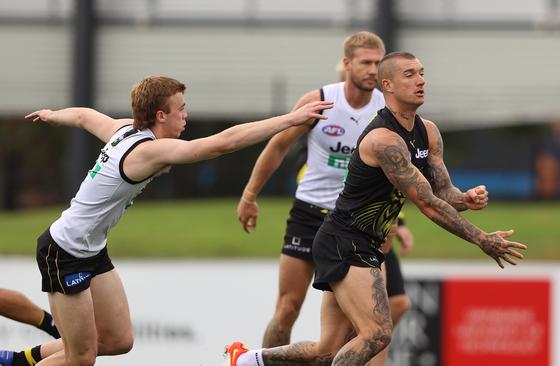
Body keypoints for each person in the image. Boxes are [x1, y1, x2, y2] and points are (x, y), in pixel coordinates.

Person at [0, 76, 332, 366]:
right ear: (161, 115)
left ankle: (16, 360)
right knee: (81, 357)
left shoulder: (124, 128)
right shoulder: (147, 151)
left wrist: (56, 115)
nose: (186, 115)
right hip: (64, 252)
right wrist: (291, 119)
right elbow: (223, 143)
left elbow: (85, 116)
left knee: (117, 341)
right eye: (181, 109)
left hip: (91, 249)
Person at [224, 52, 526, 366]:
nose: (421, 80)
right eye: (409, 74)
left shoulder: (429, 132)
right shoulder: (384, 140)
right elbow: (426, 204)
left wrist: (466, 198)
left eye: (421, 73)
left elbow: (442, 194)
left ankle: (245, 359)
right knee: (376, 334)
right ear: (388, 86)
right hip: (345, 242)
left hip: (362, 243)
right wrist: (482, 239)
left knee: (326, 348)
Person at [236, 31, 424, 365]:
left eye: (377, 63)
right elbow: (277, 146)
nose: (371, 70)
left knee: (388, 311)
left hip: (361, 222)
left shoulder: (391, 110)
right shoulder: (320, 101)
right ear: (347, 64)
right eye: (365, 62)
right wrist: (250, 195)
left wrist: (400, 221)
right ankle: (257, 361)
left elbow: (401, 173)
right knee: (288, 308)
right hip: (310, 213)